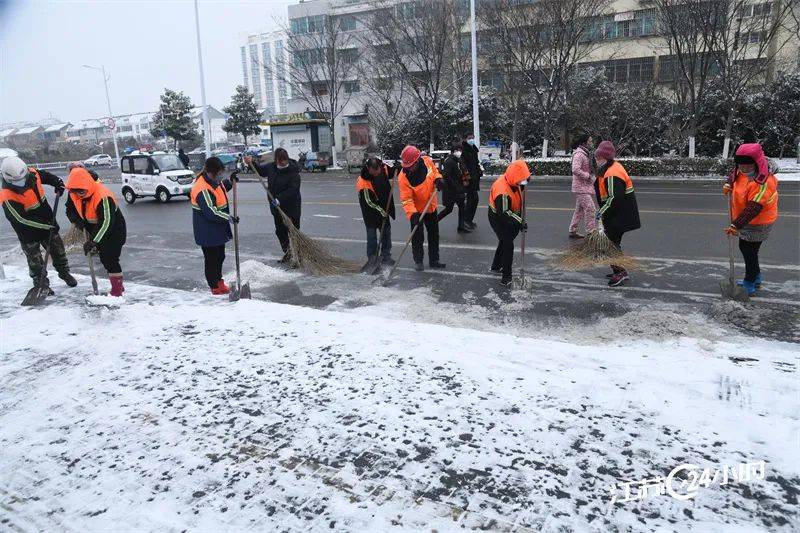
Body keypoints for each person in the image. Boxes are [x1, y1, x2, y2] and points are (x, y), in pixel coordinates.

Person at [0, 156, 77, 292]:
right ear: (7, 178)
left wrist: (57, 183)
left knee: (58, 251)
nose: (21, 183)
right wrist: (46, 225)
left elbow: (46, 176)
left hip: (48, 223)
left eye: (23, 179)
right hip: (27, 233)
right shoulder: (6, 195)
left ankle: (64, 273)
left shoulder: (33, 174)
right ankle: (41, 283)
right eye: (17, 182)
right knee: (35, 261)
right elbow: (20, 219)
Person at [723, 143, 779, 296]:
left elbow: (753, 207)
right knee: (749, 250)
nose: (744, 169)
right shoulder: (742, 170)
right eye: (741, 165)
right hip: (746, 220)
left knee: (749, 251)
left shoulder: (763, 181)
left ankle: (750, 281)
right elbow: (734, 174)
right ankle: (756, 277)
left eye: (748, 166)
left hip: (758, 221)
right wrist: (729, 183)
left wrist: (736, 224)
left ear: (757, 163)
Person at [65, 167, 128, 297]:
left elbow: (106, 222)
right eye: (76, 192)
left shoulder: (103, 196)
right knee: (105, 258)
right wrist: (78, 221)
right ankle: (118, 286)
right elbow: (69, 210)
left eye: (82, 191)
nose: (79, 194)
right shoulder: (73, 193)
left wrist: (94, 241)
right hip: (93, 227)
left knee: (110, 258)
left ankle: (117, 290)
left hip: (114, 228)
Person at [593, 140, 641, 287]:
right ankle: (617, 269)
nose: (596, 160)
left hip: (619, 216)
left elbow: (615, 198)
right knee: (613, 243)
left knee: (610, 245)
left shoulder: (613, 173)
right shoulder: (608, 169)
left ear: (605, 158)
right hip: (616, 215)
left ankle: (620, 272)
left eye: (598, 157)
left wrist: (601, 211)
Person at [246, 148, 301, 264]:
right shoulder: (272, 167)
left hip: (291, 207)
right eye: (281, 161)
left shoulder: (293, 171)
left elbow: (293, 190)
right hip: (276, 207)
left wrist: (279, 199)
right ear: (276, 160)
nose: (283, 163)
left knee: (294, 232)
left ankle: (298, 257)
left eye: (285, 161)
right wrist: (251, 163)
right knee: (280, 231)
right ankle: (288, 253)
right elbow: (260, 171)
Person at [190, 156, 235, 295]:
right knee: (211, 259)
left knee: (220, 256)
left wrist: (230, 182)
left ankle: (219, 281)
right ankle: (214, 286)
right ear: (212, 172)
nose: (221, 176)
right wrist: (228, 217)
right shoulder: (201, 188)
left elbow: (220, 190)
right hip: (207, 231)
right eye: (220, 173)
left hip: (217, 228)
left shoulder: (213, 181)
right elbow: (210, 212)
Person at [397, 145, 446, 271]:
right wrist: (412, 215)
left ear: (417, 160)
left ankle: (434, 260)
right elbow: (406, 199)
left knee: (434, 235)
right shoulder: (403, 178)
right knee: (417, 237)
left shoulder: (427, 161)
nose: (409, 169)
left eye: (411, 166)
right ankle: (418, 261)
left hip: (431, 206)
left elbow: (435, 173)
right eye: (406, 167)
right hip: (416, 211)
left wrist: (438, 180)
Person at [488, 160, 530, 286]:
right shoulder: (503, 192)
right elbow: (505, 214)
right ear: (514, 178)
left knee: (504, 240)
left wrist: (523, 183)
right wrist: (520, 222)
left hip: (509, 215)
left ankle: (496, 265)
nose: (522, 183)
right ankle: (506, 277)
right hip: (498, 218)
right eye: (520, 180)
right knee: (508, 244)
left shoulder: (512, 179)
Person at [356, 156, 396, 267]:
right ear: (369, 169)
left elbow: (392, 170)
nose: (378, 173)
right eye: (375, 171)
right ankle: (372, 258)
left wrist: (399, 167)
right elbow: (369, 203)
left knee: (386, 233)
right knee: (372, 236)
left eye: (379, 170)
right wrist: (382, 212)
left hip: (384, 207)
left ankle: (385, 256)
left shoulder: (382, 169)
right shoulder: (363, 183)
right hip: (371, 213)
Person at [437, 143, 471, 233]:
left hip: (458, 189)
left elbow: (460, 173)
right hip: (451, 191)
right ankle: (434, 222)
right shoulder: (449, 161)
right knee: (449, 209)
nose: (459, 152)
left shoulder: (457, 161)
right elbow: (446, 176)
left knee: (462, 208)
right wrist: (455, 185)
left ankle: (461, 226)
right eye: (457, 150)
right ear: (452, 152)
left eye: (460, 150)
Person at [568, 133, 597, 238]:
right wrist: (588, 176)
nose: (592, 143)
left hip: (585, 186)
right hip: (580, 187)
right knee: (590, 208)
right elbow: (575, 169)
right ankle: (591, 232)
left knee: (579, 210)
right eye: (590, 141)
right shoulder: (579, 154)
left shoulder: (586, 154)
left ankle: (573, 230)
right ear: (584, 142)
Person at [461, 133, 482, 229]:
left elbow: (476, 163)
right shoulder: (464, 150)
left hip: (474, 179)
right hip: (469, 180)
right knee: (471, 200)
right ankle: (465, 220)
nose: (472, 140)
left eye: (473, 138)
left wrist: (479, 170)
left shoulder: (473, 149)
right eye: (469, 138)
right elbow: (463, 165)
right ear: (465, 139)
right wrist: (467, 177)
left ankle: (469, 220)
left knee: (474, 200)